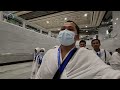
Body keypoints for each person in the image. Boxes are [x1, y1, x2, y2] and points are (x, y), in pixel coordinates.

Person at [35, 20, 120, 79]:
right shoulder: (50, 53)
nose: (65, 31)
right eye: (63, 29)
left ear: (77, 36)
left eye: (70, 29)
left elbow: (106, 73)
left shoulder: (86, 54)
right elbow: (39, 75)